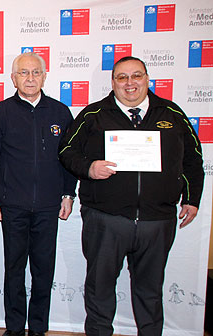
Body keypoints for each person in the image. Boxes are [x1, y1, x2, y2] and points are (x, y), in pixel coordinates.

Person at [58, 56, 203, 336]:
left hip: (157, 220)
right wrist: (89, 167)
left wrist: (192, 198)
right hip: (105, 219)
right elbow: (66, 151)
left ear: (147, 79)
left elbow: (193, 160)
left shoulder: (172, 114)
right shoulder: (93, 115)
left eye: (136, 76)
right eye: (122, 77)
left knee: (150, 291)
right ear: (113, 82)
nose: (130, 83)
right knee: (99, 287)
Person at [0, 52, 77, 336]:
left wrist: (68, 194)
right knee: (14, 270)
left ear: (45, 76)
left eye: (36, 72)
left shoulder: (60, 112)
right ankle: (13, 328)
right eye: (24, 73)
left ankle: (38, 328)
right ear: (13, 78)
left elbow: (70, 159)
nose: (30, 78)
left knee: (43, 270)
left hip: (49, 206)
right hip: (12, 206)